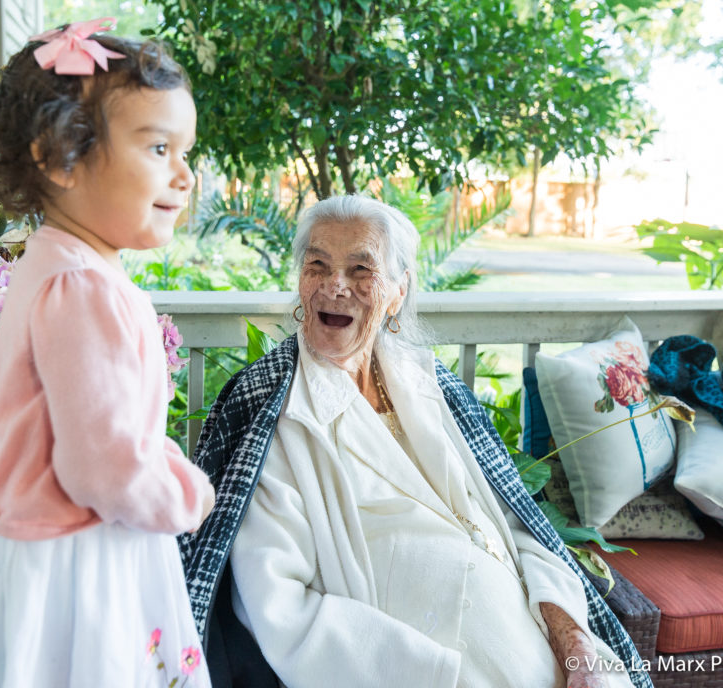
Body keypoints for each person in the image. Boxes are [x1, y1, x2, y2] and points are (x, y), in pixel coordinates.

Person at [179, 195, 650, 688]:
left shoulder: (431, 385)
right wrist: (432, 673)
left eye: (361, 268)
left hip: (544, 649)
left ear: (398, 292)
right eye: (317, 265)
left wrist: (572, 638)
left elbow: (519, 525)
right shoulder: (277, 411)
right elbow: (277, 608)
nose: (334, 285)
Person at [0, 18, 214, 688]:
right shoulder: (81, 288)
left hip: (24, 537)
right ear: (59, 158)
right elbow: (101, 469)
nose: (184, 176)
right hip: (68, 560)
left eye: (185, 151)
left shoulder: (56, 262)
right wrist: (184, 494)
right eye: (159, 148)